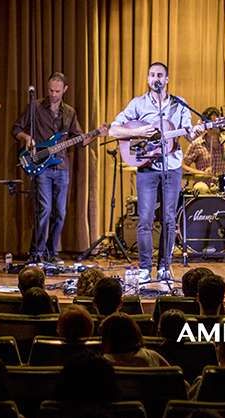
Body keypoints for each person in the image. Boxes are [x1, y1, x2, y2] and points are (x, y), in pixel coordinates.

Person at [108, 62, 205, 282]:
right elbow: (114, 129)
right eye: (152, 75)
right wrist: (140, 131)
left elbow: (189, 134)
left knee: (169, 219)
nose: (155, 79)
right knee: (145, 219)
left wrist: (197, 131)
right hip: (147, 168)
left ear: (167, 79)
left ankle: (164, 267)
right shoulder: (138, 104)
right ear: (147, 79)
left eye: (159, 75)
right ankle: (145, 267)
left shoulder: (179, 104)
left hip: (172, 167)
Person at [12, 72, 95, 265]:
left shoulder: (69, 112)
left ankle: (51, 252)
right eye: (50, 90)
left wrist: (95, 134)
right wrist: (27, 138)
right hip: (41, 166)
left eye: (57, 91)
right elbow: (16, 129)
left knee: (60, 212)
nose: (53, 94)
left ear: (65, 90)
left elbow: (79, 139)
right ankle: (38, 252)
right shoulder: (35, 107)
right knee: (45, 209)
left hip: (62, 167)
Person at [183, 106, 225, 193]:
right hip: (203, 183)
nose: (215, 126)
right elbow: (184, 165)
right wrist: (201, 173)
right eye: (212, 123)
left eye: (217, 122)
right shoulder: (196, 143)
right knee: (201, 188)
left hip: (222, 185)